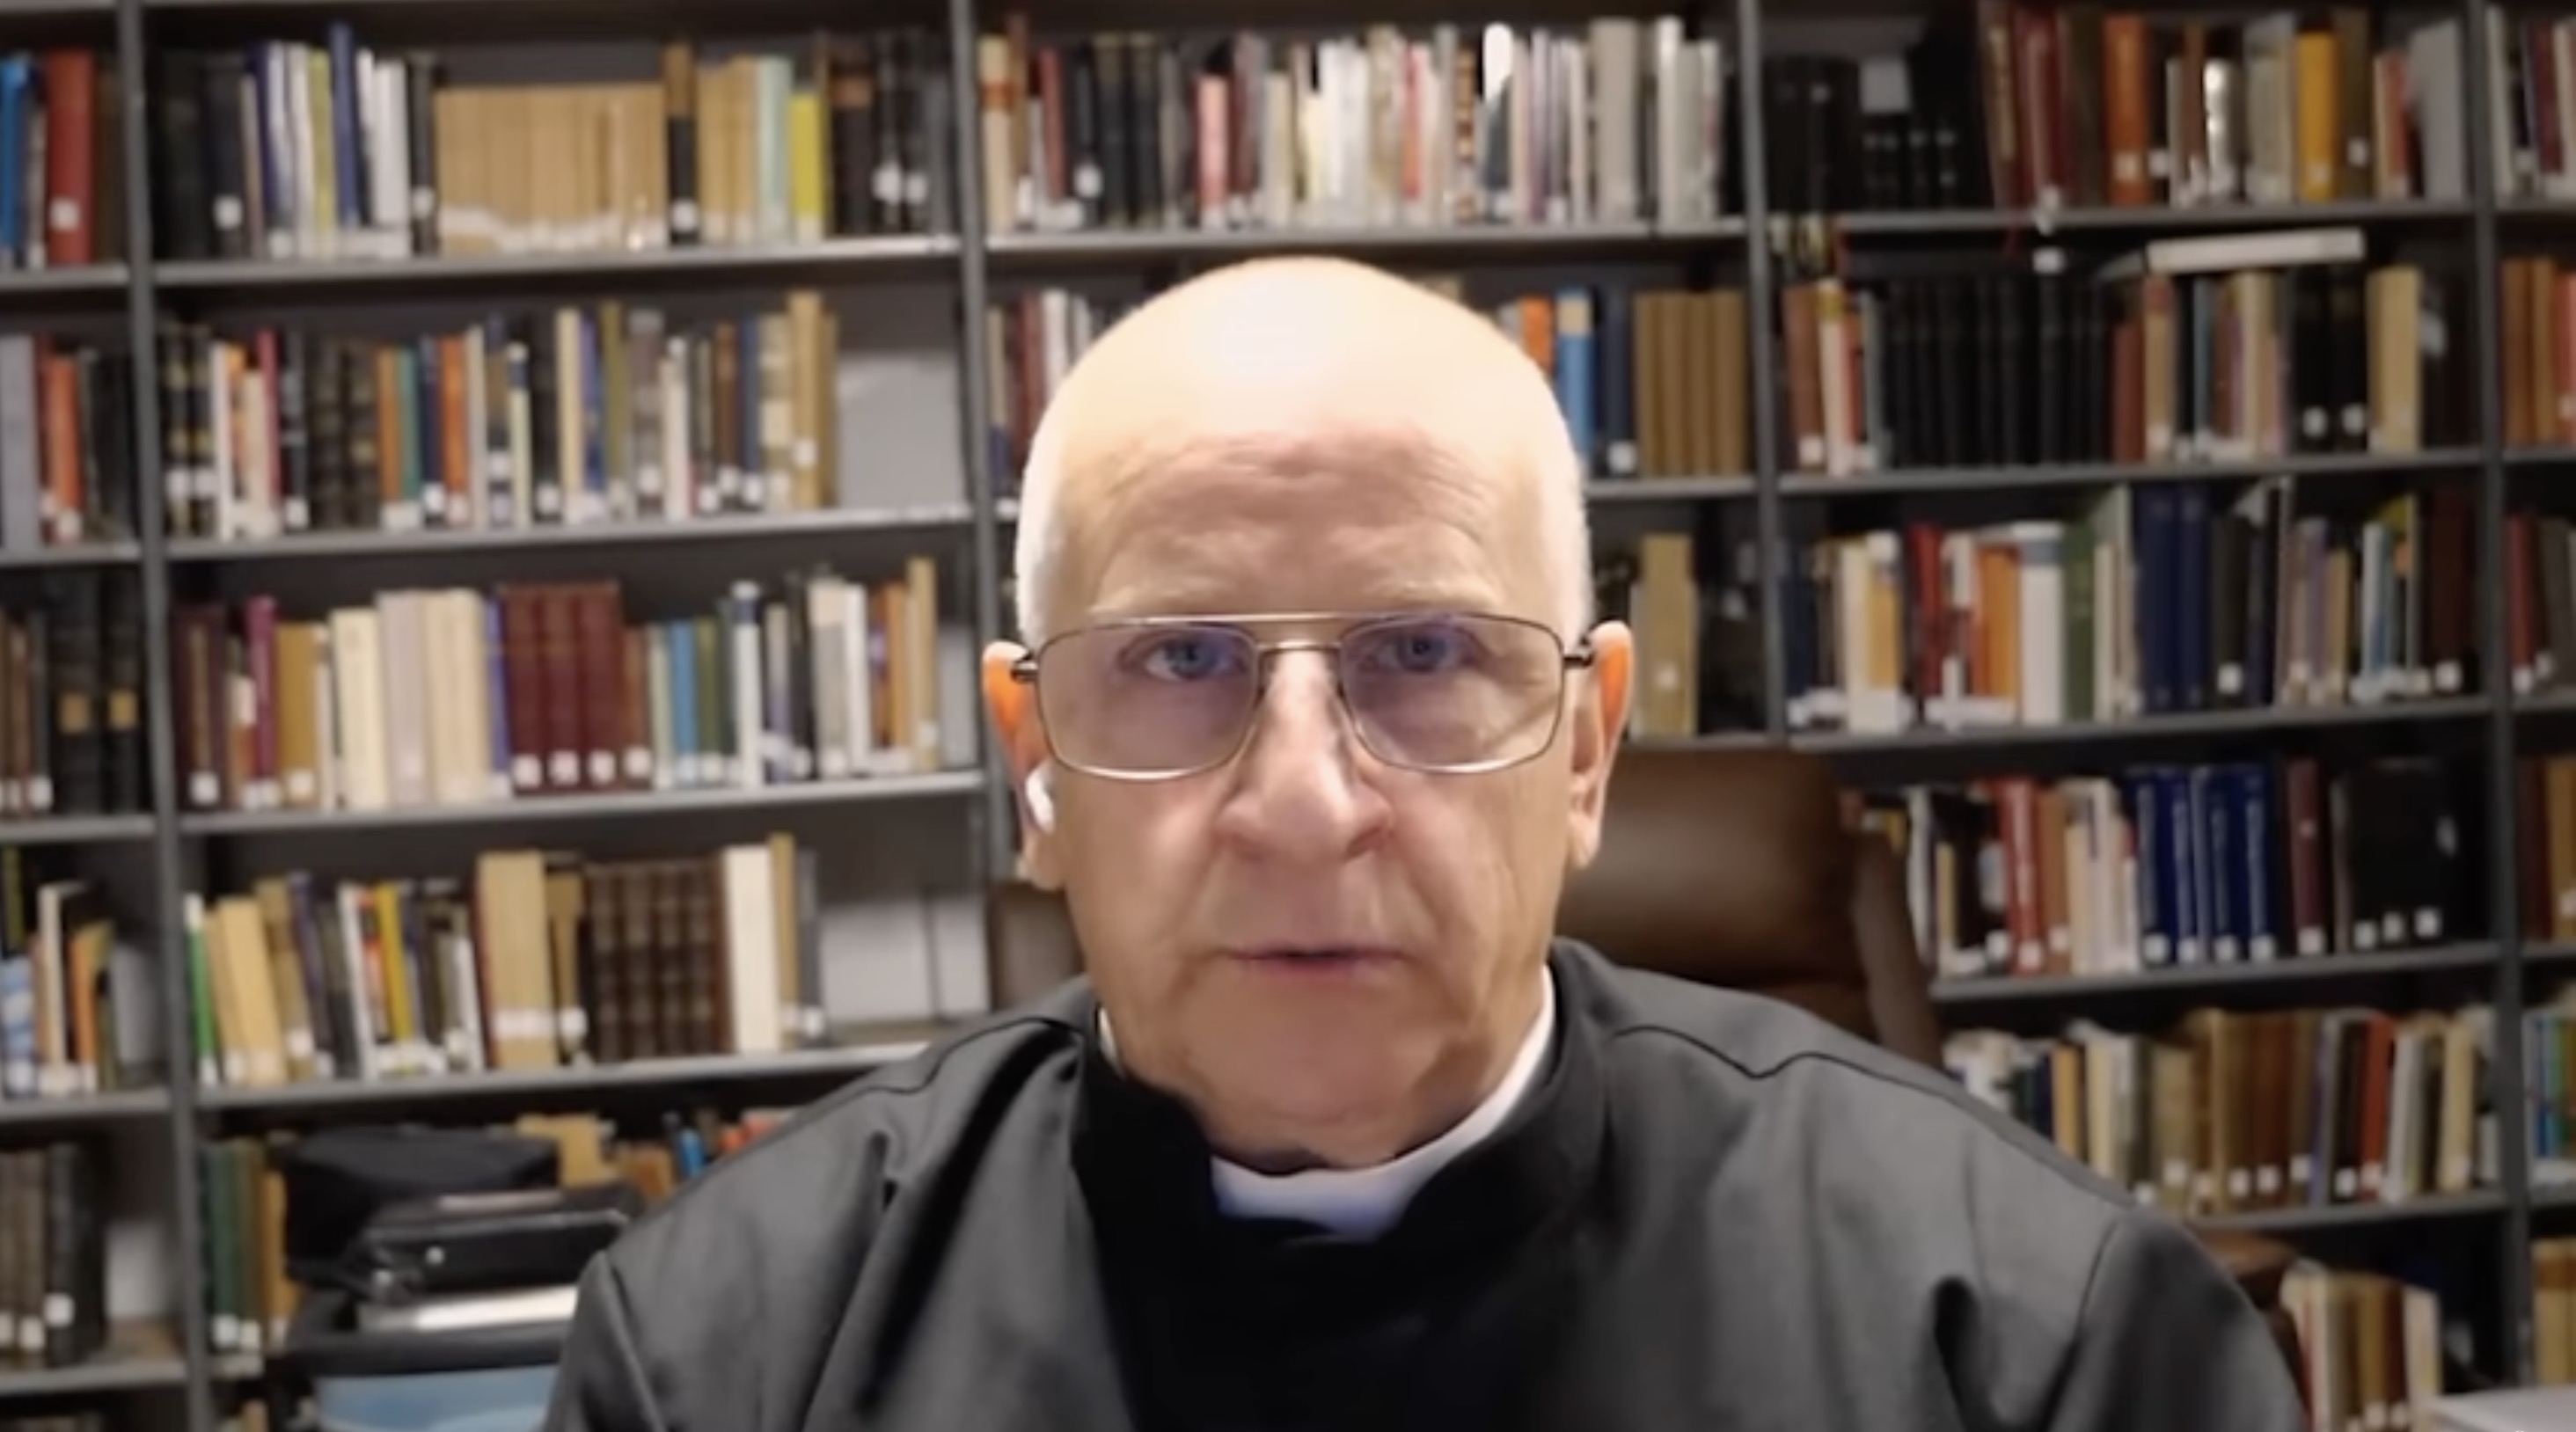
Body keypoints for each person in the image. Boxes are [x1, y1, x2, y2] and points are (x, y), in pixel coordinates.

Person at [539, 256, 2305, 1431]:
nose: (1306, 804)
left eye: (1425, 650)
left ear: (1588, 747)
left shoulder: (2035, 1342)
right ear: (1040, 769)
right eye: (1180, 660)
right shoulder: (729, 1356)